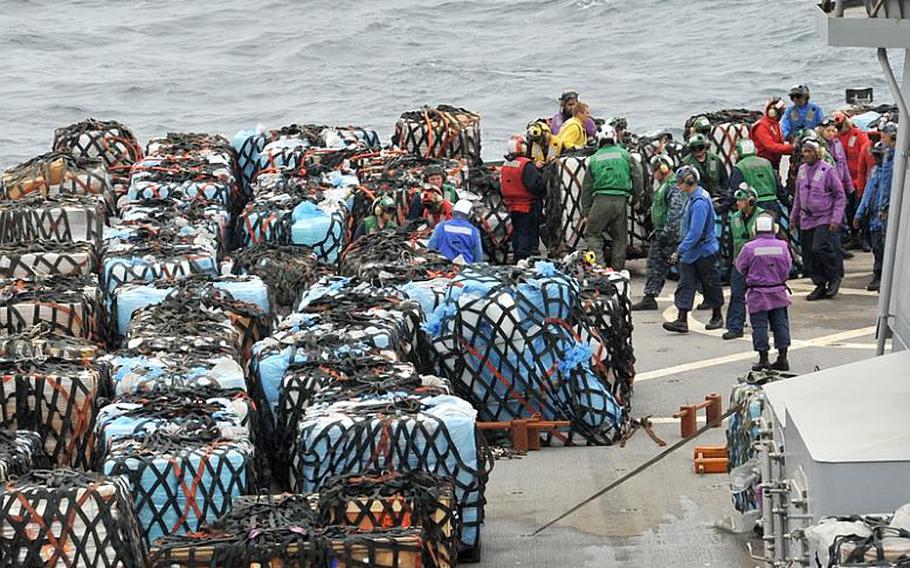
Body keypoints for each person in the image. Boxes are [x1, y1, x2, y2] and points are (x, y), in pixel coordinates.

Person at [663, 165, 725, 333]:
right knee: (686, 284)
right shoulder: (695, 197)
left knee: (710, 284)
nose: (678, 185)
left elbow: (695, 232)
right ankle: (682, 320)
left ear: (688, 182)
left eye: (680, 182)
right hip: (693, 251)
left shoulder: (699, 203)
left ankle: (717, 316)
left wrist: (680, 250)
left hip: (702, 251)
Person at [736, 213, 792, 371]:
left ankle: (763, 358)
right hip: (778, 291)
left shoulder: (749, 248)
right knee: (781, 324)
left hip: (758, 294)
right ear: (774, 228)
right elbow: (788, 267)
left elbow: (741, 267)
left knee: (759, 326)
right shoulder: (782, 246)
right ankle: (783, 357)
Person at [581, 125, 643, 270]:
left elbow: (587, 188)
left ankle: (600, 268)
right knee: (620, 238)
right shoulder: (625, 155)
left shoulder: (594, 159)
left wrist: (586, 212)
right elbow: (638, 175)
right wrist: (636, 197)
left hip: (601, 200)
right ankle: (617, 270)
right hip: (621, 201)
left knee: (592, 234)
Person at [791, 139, 846, 300]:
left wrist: (836, 219)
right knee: (809, 254)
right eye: (805, 151)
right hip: (806, 218)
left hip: (824, 216)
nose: (806, 154)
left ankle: (834, 275)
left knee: (819, 248)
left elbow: (840, 196)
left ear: (817, 153)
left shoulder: (827, 170)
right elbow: (797, 197)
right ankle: (820, 283)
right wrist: (793, 217)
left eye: (810, 151)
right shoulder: (801, 170)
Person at [631, 154, 688, 311]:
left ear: (661, 169)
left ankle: (710, 296)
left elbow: (675, 212)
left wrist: (667, 234)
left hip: (669, 235)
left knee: (685, 267)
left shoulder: (673, 185)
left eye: (653, 170)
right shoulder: (665, 185)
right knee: (657, 264)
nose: (652, 174)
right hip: (663, 233)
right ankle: (650, 296)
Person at [723, 185, 767, 340]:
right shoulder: (735, 217)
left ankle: (765, 325)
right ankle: (735, 326)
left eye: (741, 201)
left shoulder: (763, 217)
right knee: (736, 295)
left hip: (758, 264)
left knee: (762, 296)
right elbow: (731, 241)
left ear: (751, 201)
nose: (738, 204)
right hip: (739, 263)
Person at [501, 135, 546, 261]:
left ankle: (517, 255)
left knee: (517, 231)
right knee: (526, 232)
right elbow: (533, 185)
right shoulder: (526, 164)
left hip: (511, 205)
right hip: (526, 205)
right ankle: (523, 257)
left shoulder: (506, 163)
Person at [853, 142, 887, 291]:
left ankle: (884, 276)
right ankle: (878, 275)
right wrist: (859, 213)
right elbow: (867, 193)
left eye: (879, 155)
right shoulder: (874, 171)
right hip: (872, 217)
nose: (876, 158)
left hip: (884, 217)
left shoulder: (891, 172)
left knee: (884, 248)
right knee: (876, 248)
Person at [729, 139, 783, 217]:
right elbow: (779, 188)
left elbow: (734, 192)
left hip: (752, 208)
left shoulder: (739, 167)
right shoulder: (767, 163)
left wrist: (722, 207)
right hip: (772, 206)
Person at [428, 199, 484, 263]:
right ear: (469, 215)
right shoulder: (474, 232)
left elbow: (431, 248)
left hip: (444, 267)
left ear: (453, 212)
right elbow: (478, 258)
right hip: (465, 269)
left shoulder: (440, 227)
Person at [751, 98, 794, 171]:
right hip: (762, 164)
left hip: (774, 163)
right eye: (781, 111)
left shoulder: (775, 125)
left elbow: (780, 144)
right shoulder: (761, 126)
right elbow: (771, 146)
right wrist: (791, 148)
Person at [682, 133, 729, 200]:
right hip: (696, 197)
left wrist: (723, 194)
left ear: (705, 147)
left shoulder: (715, 159)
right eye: (694, 148)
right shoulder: (686, 163)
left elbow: (724, 179)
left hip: (717, 196)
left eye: (700, 147)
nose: (697, 150)